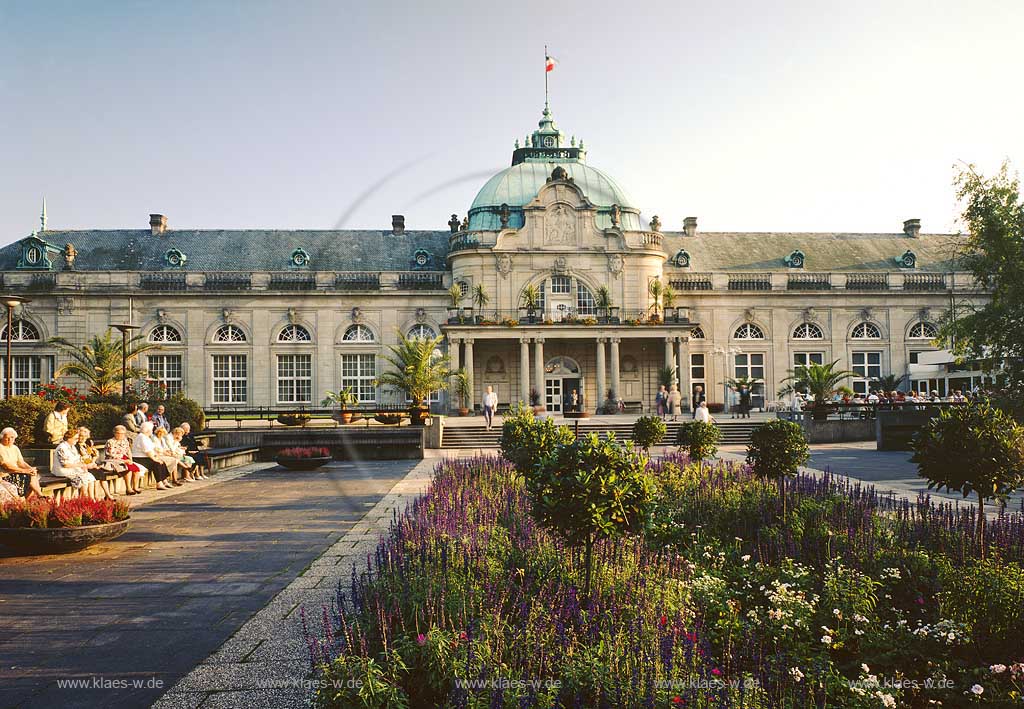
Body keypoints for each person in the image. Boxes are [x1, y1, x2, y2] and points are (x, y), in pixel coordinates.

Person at [53, 430, 100, 499]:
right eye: (76, 438)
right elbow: (65, 465)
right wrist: (84, 466)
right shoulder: (62, 447)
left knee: (90, 477)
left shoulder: (72, 446)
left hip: (72, 469)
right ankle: (85, 498)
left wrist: (87, 466)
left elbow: (77, 460)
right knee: (84, 478)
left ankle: (92, 499)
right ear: (69, 438)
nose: (77, 440)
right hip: (62, 470)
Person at [132, 421, 177, 491]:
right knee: (157, 463)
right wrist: (154, 458)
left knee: (162, 462)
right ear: (148, 430)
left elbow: (153, 448)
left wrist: (157, 455)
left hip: (145, 457)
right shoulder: (142, 437)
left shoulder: (146, 437)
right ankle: (159, 483)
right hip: (139, 458)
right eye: (151, 429)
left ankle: (164, 481)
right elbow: (147, 451)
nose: (152, 431)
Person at [0, 427, 42, 500]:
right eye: (7, 438)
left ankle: (35, 498)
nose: (10, 440)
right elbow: (6, 466)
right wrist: (24, 471)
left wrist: (30, 469)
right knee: (30, 477)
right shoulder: (1, 448)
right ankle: (40, 496)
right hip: (7, 475)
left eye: (12, 437)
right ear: (2, 438)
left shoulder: (15, 448)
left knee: (33, 475)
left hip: (17, 473)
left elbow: (21, 462)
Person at [76, 427, 117, 500]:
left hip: (90, 464)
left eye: (84, 436)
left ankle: (107, 494)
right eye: (81, 436)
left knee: (100, 473)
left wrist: (93, 461)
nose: (82, 438)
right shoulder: (76, 446)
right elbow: (82, 459)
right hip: (83, 466)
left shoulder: (87, 445)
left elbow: (94, 455)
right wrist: (92, 463)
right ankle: (95, 496)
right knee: (95, 474)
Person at [104, 425, 144, 494]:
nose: (120, 435)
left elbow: (128, 451)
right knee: (128, 469)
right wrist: (124, 461)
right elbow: (111, 455)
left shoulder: (125, 440)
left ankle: (135, 487)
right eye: (118, 433)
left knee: (136, 469)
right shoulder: (110, 441)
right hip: (113, 460)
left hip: (125, 458)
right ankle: (128, 488)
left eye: (122, 434)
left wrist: (130, 459)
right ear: (114, 433)